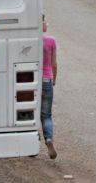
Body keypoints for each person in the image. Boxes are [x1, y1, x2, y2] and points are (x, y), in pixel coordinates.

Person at [41, 14, 58, 159]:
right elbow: (54, 64)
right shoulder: (51, 41)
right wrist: (54, 80)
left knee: (29, 114)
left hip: (31, 81)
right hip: (46, 80)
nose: (47, 24)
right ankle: (49, 139)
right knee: (46, 115)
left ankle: (33, 139)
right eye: (46, 21)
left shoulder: (30, 40)